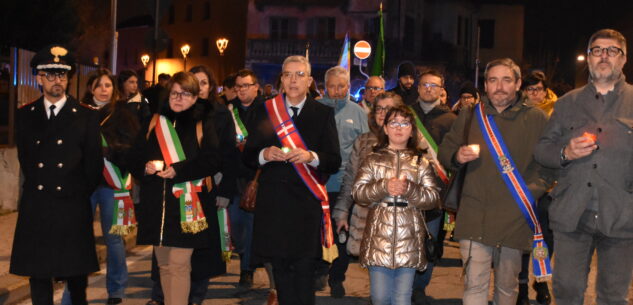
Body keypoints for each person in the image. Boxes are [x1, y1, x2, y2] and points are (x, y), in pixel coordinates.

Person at [438, 58, 554, 305]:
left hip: (514, 218)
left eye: (506, 80)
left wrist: (529, 193)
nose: (499, 86)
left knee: (506, 289)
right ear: (485, 85)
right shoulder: (470, 115)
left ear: (518, 83)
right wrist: (456, 156)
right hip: (474, 214)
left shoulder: (537, 118)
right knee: (474, 287)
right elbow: (445, 151)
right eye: (493, 80)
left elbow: (548, 167)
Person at [534, 28, 633, 305]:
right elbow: (542, 151)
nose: (604, 56)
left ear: (623, 59)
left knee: (613, 297)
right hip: (572, 215)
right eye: (597, 50)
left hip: (622, 216)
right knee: (566, 291)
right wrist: (565, 152)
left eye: (612, 50)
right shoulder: (566, 104)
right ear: (588, 58)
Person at [243, 55, 341, 305]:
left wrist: (311, 156)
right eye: (287, 74)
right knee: (281, 271)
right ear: (281, 80)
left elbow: (333, 160)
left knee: (305, 270)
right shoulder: (265, 110)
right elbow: (248, 156)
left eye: (299, 75)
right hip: (274, 204)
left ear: (309, 80)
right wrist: (264, 154)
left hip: (306, 205)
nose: (293, 80)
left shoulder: (322, 113)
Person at [10, 44, 103, 305]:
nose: (57, 81)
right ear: (39, 78)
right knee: (39, 275)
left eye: (62, 75)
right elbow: (26, 160)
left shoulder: (86, 116)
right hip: (38, 205)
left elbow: (93, 165)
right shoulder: (25, 115)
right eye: (50, 75)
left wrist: (76, 194)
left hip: (71, 205)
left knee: (76, 276)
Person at [127, 72, 224, 305]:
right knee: (164, 266)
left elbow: (212, 160)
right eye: (174, 93)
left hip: (189, 207)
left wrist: (178, 170)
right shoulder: (154, 122)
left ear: (194, 97)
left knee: (179, 265)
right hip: (157, 206)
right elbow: (132, 157)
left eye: (185, 94)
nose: (179, 98)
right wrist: (145, 167)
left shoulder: (203, 123)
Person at [59, 69, 140, 305]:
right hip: (83, 184)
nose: (103, 89)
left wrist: (110, 151)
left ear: (114, 89)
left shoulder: (123, 113)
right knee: (79, 239)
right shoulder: (77, 112)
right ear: (91, 88)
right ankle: (72, 292)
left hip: (111, 183)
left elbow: (131, 146)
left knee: (113, 239)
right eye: (99, 85)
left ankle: (116, 290)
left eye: (108, 85)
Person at [352, 105, 440, 305]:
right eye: (394, 123)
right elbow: (359, 193)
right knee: (380, 297)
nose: (399, 128)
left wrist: (409, 189)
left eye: (404, 123)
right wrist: (384, 186)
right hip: (379, 235)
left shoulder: (421, 162)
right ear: (385, 128)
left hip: (409, 234)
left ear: (412, 129)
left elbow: (432, 198)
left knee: (402, 298)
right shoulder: (372, 159)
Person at [314, 66, 369, 298]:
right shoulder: (313, 109)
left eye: (341, 86)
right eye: (332, 86)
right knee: (315, 232)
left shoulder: (357, 112)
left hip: (344, 187)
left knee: (341, 235)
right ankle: (317, 270)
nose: (336, 91)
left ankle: (337, 277)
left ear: (348, 87)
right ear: (324, 86)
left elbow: (365, 149)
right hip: (315, 184)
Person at [333, 92, 405, 258]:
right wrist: (342, 212)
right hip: (367, 219)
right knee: (377, 277)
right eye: (378, 108)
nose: (381, 113)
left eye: (387, 108)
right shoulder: (363, 141)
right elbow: (351, 179)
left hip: (399, 220)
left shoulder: (410, 141)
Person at [409, 68, 457, 305]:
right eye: (424, 85)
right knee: (403, 240)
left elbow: (454, 158)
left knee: (429, 241)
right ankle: (401, 284)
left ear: (441, 90)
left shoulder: (451, 120)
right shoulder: (405, 114)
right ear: (418, 88)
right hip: (405, 189)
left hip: (435, 192)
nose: (429, 89)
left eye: (434, 86)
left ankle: (420, 287)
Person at [516, 70, 557, 305]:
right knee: (521, 235)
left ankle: (541, 280)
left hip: (548, 185)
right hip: (521, 185)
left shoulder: (557, 111)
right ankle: (521, 284)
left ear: (545, 90)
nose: (535, 94)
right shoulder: (516, 112)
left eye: (539, 89)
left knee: (546, 236)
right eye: (530, 89)